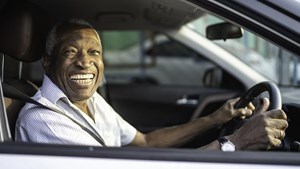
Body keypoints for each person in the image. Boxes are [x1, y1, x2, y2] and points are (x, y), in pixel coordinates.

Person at [15, 19, 288, 151]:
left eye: (94, 52)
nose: (85, 63)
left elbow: (144, 141)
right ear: (48, 63)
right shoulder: (44, 119)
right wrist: (236, 142)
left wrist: (215, 118)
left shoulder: (90, 100)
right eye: (71, 52)